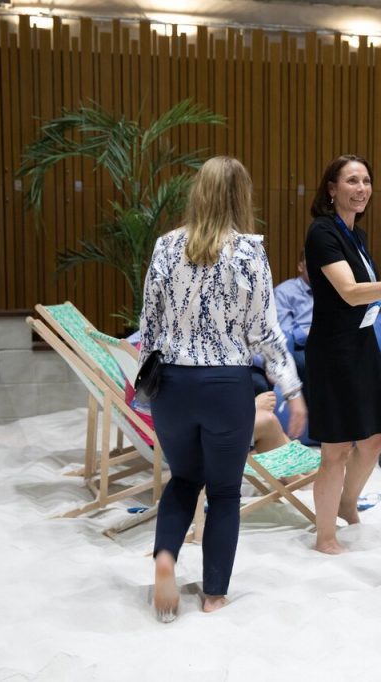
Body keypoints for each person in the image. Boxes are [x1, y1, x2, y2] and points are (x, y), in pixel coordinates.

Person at [139, 156, 307, 621]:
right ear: (242, 197)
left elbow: (148, 327)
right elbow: (265, 332)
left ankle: (166, 558)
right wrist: (292, 390)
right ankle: (214, 594)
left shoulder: (165, 246)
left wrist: (148, 380)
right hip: (226, 383)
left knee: (184, 481)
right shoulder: (249, 252)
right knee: (226, 492)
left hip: (173, 383)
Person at [303, 153, 381, 555]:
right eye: (352, 181)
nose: (361, 189)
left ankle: (347, 503)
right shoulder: (322, 233)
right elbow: (349, 291)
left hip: (362, 345)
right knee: (336, 448)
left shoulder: (357, 236)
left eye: (366, 181)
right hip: (333, 351)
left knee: (374, 438)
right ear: (331, 189)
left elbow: (362, 301)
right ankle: (324, 535)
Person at [274, 250, 313, 386]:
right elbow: (285, 333)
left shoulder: (331, 292)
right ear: (300, 267)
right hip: (299, 347)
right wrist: (310, 333)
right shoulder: (284, 292)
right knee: (308, 361)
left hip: (329, 344)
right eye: (311, 264)